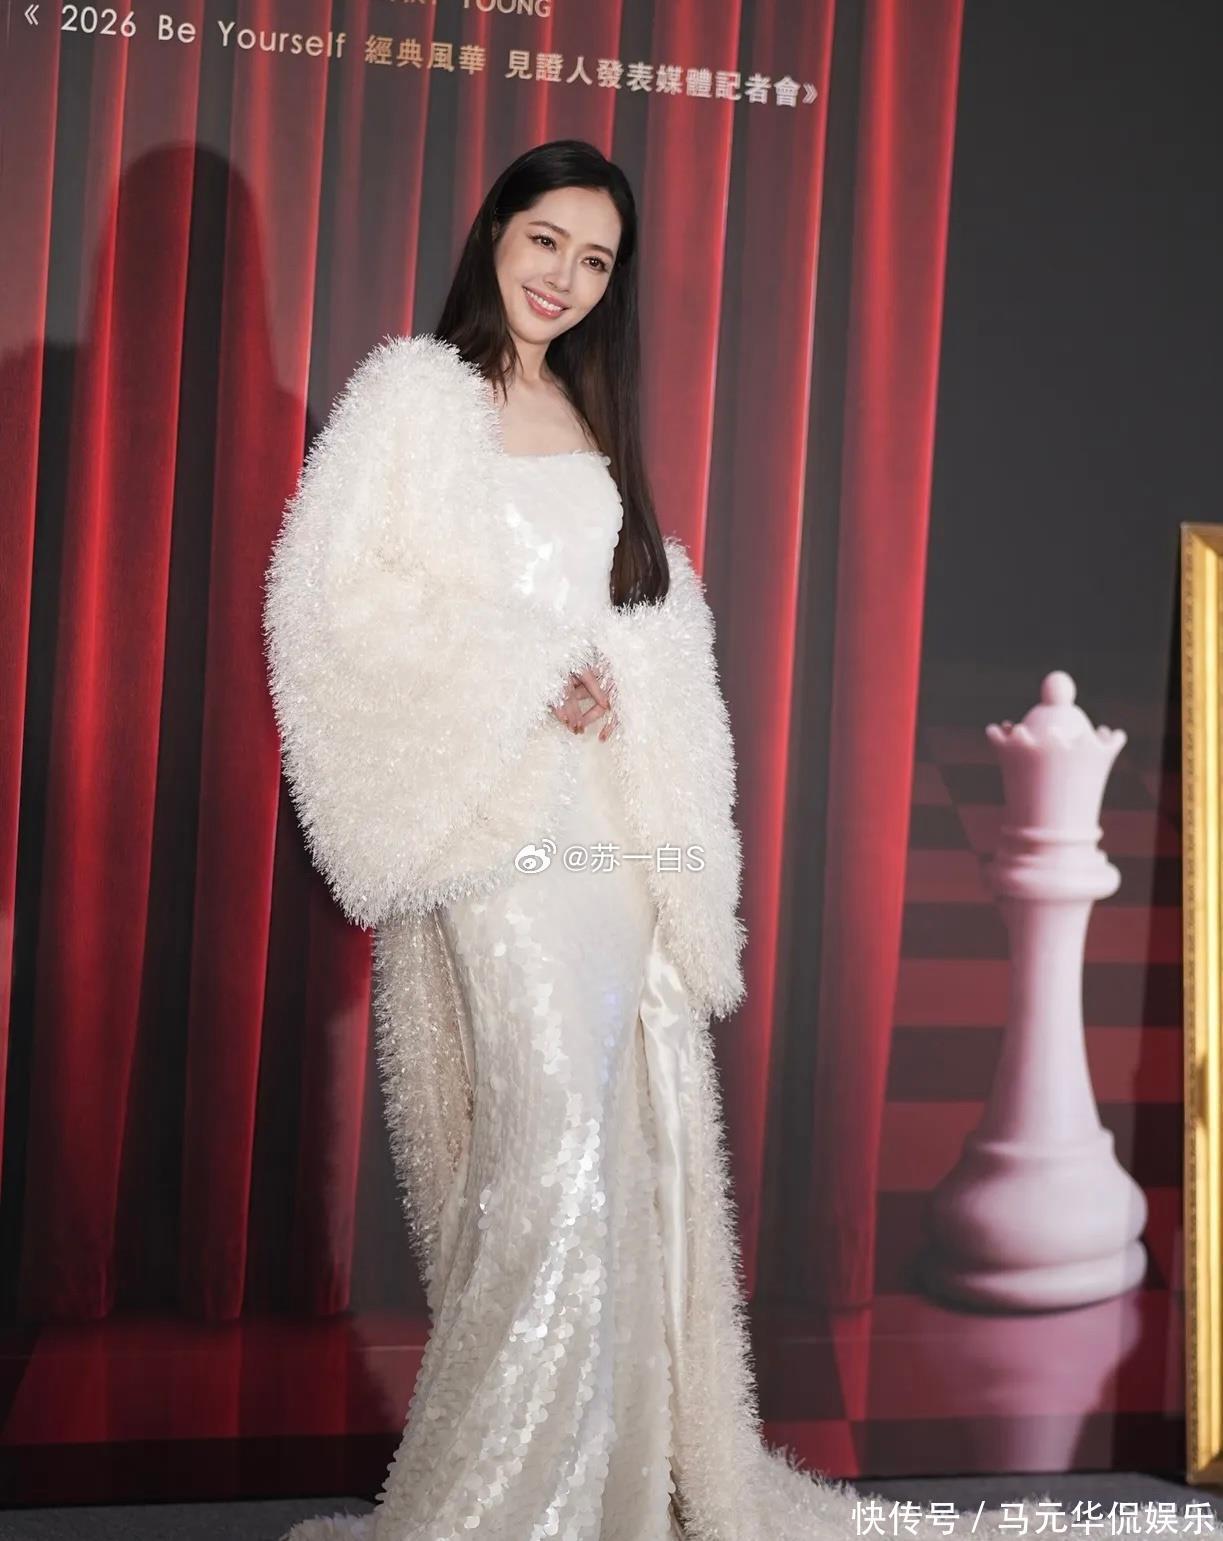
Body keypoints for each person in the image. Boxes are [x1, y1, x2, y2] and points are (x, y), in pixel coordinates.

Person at [264, 139, 1051, 1541]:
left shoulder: (588, 412)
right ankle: (503, 1506)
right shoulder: (414, 397)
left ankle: (613, 1491)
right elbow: (334, 606)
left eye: (595, 261)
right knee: (546, 1154)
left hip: (611, 836)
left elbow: (646, 620)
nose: (563, 279)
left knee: (620, 1153)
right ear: (495, 231)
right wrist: (526, 669)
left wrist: (621, 680)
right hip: (494, 829)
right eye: (545, 240)